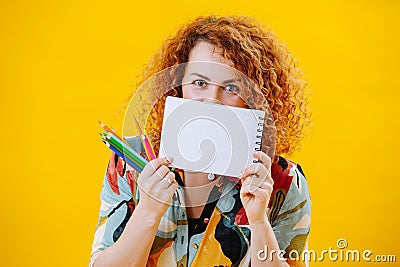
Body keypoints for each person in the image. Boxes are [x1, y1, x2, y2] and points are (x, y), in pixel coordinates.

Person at [90, 15, 312, 267]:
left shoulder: (282, 180)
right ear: (178, 88)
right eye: (199, 83)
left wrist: (259, 221)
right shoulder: (132, 161)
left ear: (252, 97)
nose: (212, 100)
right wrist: (148, 210)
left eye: (231, 88)